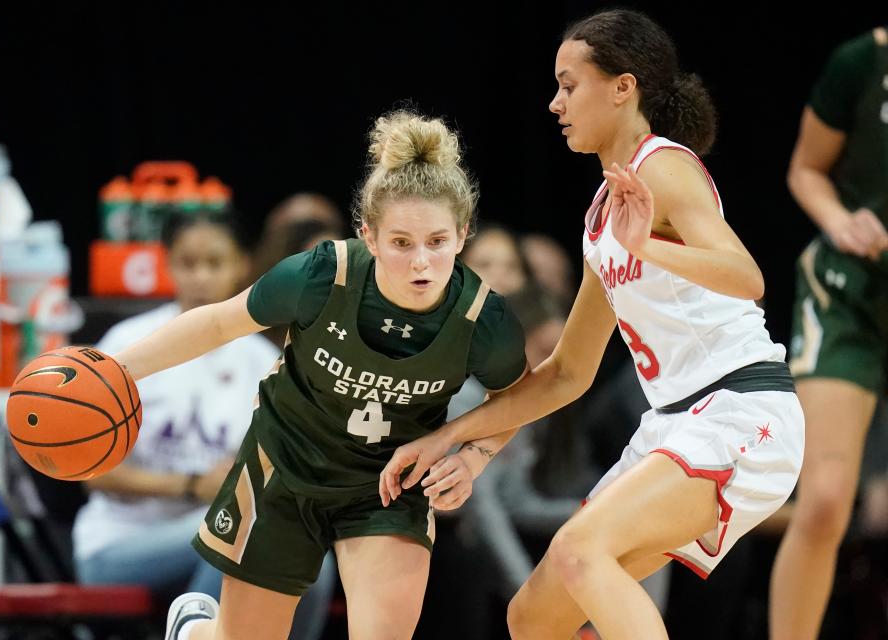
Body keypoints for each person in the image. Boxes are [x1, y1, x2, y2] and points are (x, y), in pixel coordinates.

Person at [380, 9, 805, 639]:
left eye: (569, 84)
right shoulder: (603, 218)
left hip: (739, 410)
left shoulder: (664, 167)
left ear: (623, 87)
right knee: (533, 618)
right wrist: (461, 444)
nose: (555, 103)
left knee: (583, 554)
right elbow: (564, 376)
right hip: (673, 423)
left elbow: (747, 277)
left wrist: (649, 248)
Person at [109, 111, 528, 640]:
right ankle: (196, 630)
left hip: (386, 485)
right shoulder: (322, 276)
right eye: (401, 242)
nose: (421, 261)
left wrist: (474, 456)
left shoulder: (482, 318)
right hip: (284, 467)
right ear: (369, 236)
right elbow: (218, 322)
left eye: (437, 241)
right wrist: (119, 369)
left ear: (463, 234)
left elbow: (517, 396)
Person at [72, 209, 280, 605]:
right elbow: (89, 471)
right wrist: (190, 486)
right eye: (188, 263)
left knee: (305, 556)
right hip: (120, 542)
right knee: (236, 542)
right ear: (167, 264)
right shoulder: (128, 344)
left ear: (242, 265)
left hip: (218, 532)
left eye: (214, 263)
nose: (200, 276)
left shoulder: (260, 358)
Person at [769, 26, 888, 640]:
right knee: (822, 499)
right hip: (850, 294)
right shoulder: (861, 63)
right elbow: (806, 169)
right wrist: (840, 221)